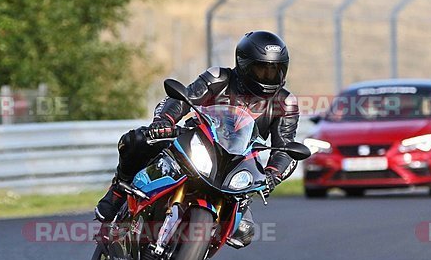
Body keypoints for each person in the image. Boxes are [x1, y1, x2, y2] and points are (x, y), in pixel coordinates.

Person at [95, 30, 300, 248]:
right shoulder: (219, 78)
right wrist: (164, 121)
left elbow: (285, 148)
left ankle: (196, 255)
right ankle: (117, 192)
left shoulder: (285, 103)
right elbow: (184, 98)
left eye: (275, 70)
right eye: (262, 69)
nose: (268, 76)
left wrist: (272, 175)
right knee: (137, 140)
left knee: (243, 232)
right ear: (244, 64)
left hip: (238, 164)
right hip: (198, 141)